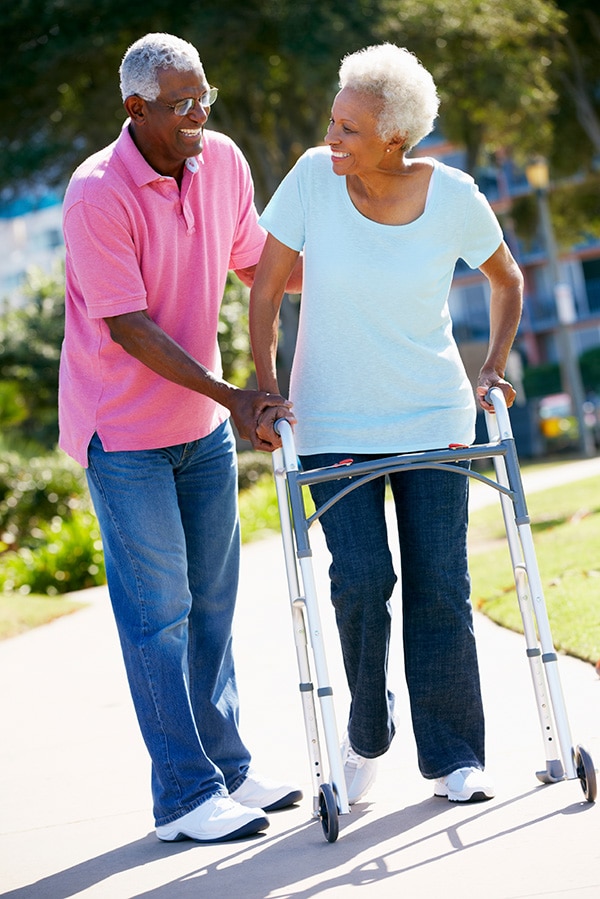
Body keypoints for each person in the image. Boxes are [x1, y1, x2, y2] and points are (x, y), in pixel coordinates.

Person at [250, 43, 523, 806]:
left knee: (442, 585)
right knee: (362, 582)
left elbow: (507, 277)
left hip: (435, 416)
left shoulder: (456, 195)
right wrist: (266, 390)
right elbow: (267, 290)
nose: (331, 138)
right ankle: (366, 735)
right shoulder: (311, 177)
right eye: (333, 121)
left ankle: (455, 755)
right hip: (333, 420)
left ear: (396, 136)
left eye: (350, 129)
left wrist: (494, 367)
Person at [58, 32, 303, 843]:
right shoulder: (98, 192)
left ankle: (228, 770)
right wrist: (235, 393)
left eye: (205, 98)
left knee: (211, 605)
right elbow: (127, 325)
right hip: (124, 433)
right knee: (157, 613)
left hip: (201, 428)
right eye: (180, 105)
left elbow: (255, 265)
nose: (198, 115)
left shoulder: (223, 160)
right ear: (135, 109)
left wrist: (361, 254)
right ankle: (184, 796)